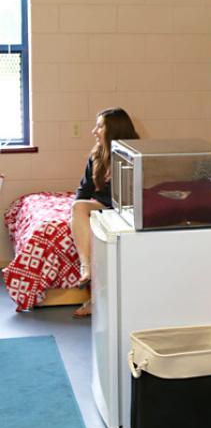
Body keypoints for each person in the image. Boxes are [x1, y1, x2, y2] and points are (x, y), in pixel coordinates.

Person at [71, 108, 139, 318]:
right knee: (78, 207)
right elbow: (83, 192)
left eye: (100, 126)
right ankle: (86, 268)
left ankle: (96, 301)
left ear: (114, 129)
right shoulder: (97, 155)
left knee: (105, 239)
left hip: (127, 211)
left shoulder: (135, 155)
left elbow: (136, 195)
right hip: (106, 209)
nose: (94, 130)